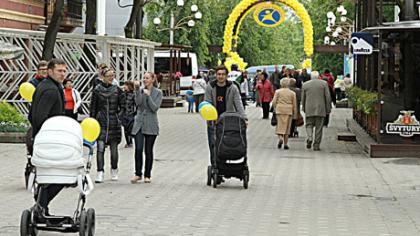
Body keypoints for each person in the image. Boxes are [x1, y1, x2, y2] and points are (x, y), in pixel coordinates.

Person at [28, 58, 67, 216]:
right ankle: (41, 203)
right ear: (50, 71)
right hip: (49, 141)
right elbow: (38, 118)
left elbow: (31, 116)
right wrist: (52, 134)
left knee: (49, 175)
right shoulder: (50, 90)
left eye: (64, 71)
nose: (62, 74)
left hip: (46, 139)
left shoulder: (47, 86)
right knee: (64, 173)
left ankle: (42, 207)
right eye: (59, 71)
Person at [204, 65, 247, 165]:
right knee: (213, 144)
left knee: (225, 144)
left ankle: (222, 166)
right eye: (219, 74)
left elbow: (238, 103)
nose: (221, 76)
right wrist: (211, 117)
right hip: (213, 121)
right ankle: (215, 167)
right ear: (216, 75)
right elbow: (207, 103)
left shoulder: (233, 88)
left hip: (228, 121)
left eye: (223, 74)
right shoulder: (210, 87)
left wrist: (244, 118)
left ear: (226, 75)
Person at [90, 68, 124, 183]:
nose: (111, 77)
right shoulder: (97, 90)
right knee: (100, 149)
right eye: (109, 75)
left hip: (114, 123)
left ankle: (114, 169)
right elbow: (93, 108)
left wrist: (118, 117)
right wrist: (93, 121)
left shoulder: (117, 90)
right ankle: (100, 172)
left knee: (114, 150)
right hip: (101, 123)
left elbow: (123, 106)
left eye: (112, 75)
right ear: (103, 77)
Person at [131, 72, 163, 184]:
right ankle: (137, 173)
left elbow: (154, 108)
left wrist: (148, 96)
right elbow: (138, 103)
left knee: (148, 150)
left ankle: (147, 174)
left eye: (147, 78)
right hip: (139, 122)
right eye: (144, 78)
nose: (145, 80)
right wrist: (137, 90)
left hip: (151, 123)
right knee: (138, 149)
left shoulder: (158, 92)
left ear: (153, 79)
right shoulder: (139, 90)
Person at [302, 71, 332, 151]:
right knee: (319, 128)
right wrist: (328, 108)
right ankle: (316, 145)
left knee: (308, 125)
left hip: (309, 108)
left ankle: (310, 137)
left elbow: (303, 98)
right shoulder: (324, 84)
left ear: (311, 77)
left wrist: (304, 108)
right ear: (319, 77)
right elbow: (327, 97)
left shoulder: (305, 85)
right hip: (321, 109)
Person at [272, 78, 297, 150]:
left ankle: (280, 138)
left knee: (280, 126)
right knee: (287, 128)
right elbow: (294, 105)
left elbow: (274, 102)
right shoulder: (292, 93)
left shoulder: (278, 92)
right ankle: (286, 143)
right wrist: (295, 114)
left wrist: (275, 108)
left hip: (280, 110)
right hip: (289, 111)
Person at [121, 81, 137, 148]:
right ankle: (128, 142)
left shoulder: (133, 94)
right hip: (124, 114)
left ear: (129, 86)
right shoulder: (123, 94)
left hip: (130, 114)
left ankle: (131, 142)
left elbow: (136, 105)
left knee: (130, 128)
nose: (124, 86)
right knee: (125, 129)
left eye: (126, 85)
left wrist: (135, 113)